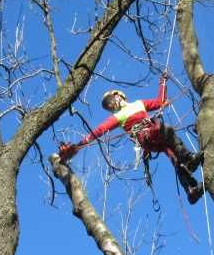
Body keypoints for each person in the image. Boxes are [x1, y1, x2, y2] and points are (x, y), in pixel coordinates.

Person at [58, 72, 204, 204]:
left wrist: (162, 82)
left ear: (118, 97)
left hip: (157, 138)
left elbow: (160, 102)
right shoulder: (118, 116)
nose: (112, 106)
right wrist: (79, 145)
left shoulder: (139, 104)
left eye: (111, 102)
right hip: (146, 136)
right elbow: (99, 130)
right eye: (109, 105)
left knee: (173, 155)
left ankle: (191, 189)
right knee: (166, 130)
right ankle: (188, 158)